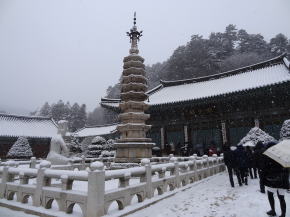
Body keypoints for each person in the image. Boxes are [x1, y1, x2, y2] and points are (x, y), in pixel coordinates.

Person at [264, 142, 289, 217]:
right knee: (281, 197)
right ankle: (283, 214)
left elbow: (265, 168)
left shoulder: (269, 155)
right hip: (282, 180)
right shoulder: (283, 155)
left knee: (270, 195)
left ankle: (273, 210)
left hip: (272, 180)